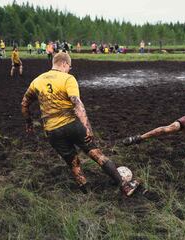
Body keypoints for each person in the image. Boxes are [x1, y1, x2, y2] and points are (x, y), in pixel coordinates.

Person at [21, 52, 139, 196]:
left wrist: (28, 122)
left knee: (73, 163)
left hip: (52, 131)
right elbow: (78, 104)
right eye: (69, 67)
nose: (69, 69)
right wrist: (87, 127)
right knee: (97, 155)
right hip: (72, 125)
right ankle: (125, 187)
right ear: (64, 63)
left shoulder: (37, 81)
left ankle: (87, 195)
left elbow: (24, 103)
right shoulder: (68, 78)